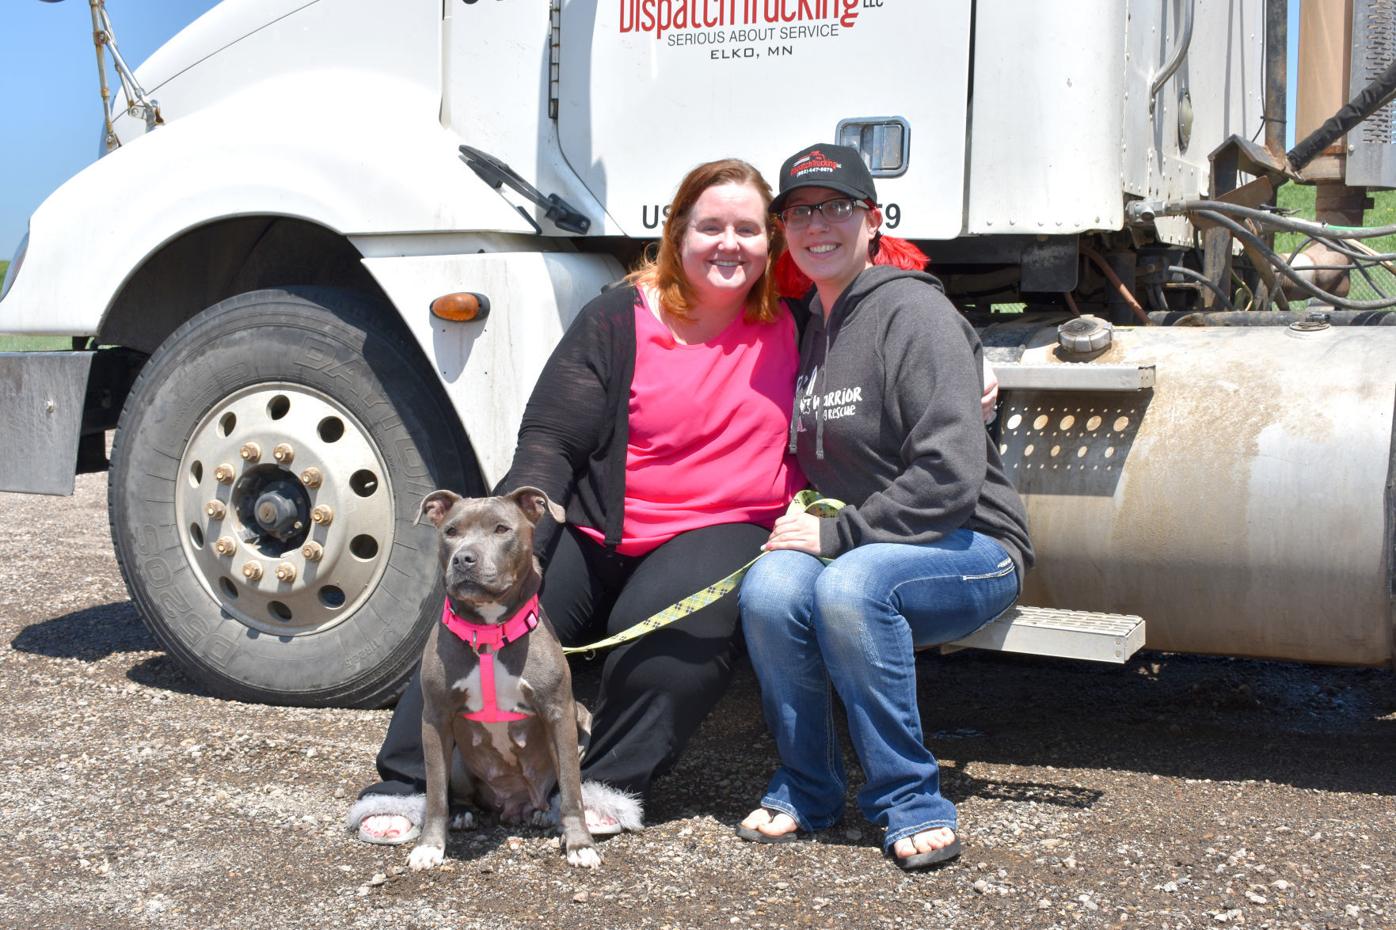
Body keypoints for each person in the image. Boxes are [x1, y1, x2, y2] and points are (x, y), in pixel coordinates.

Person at [349, 158, 805, 843]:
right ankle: (409, 783)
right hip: (599, 526)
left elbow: (886, 321)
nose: (728, 243)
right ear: (677, 233)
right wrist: (508, 549)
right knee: (478, 619)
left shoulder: (801, 322)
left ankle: (601, 783)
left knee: (680, 639)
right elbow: (551, 445)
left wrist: (963, 357)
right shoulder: (620, 316)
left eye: (746, 228)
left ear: (770, 243)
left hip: (721, 524)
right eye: (710, 226)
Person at [735, 144, 1034, 870]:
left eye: (836, 208)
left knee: (850, 584)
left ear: (872, 220)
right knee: (769, 589)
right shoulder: (806, 325)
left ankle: (910, 799)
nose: (818, 226)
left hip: (969, 546)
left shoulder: (914, 314)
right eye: (800, 212)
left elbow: (951, 473)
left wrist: (843, 534)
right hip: (864, 545)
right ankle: (807, 788)